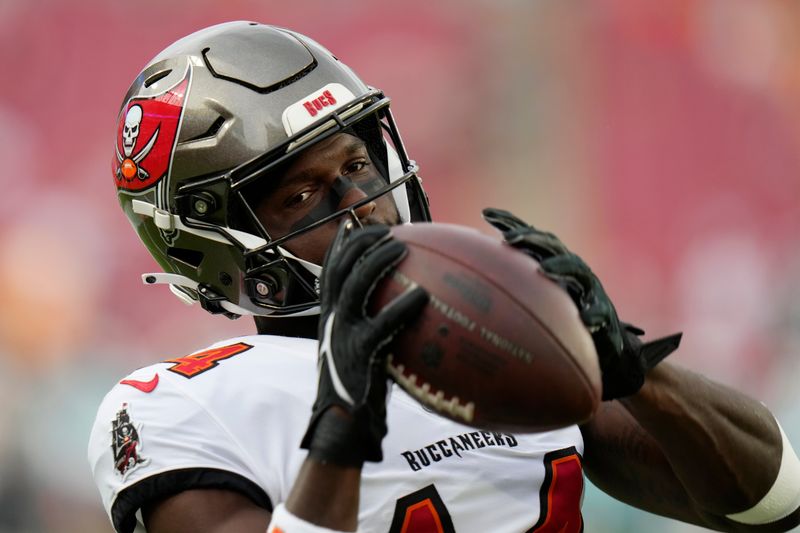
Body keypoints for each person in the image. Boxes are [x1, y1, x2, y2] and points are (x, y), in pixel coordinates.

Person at [89, 21, 800, 533]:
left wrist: (632, 366)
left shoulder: (484, 337)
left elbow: (772, 502)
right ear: (209, 246)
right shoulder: (178, 408)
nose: (359, 207)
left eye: (357, 165)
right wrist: (341, 422)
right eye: (300, 196)